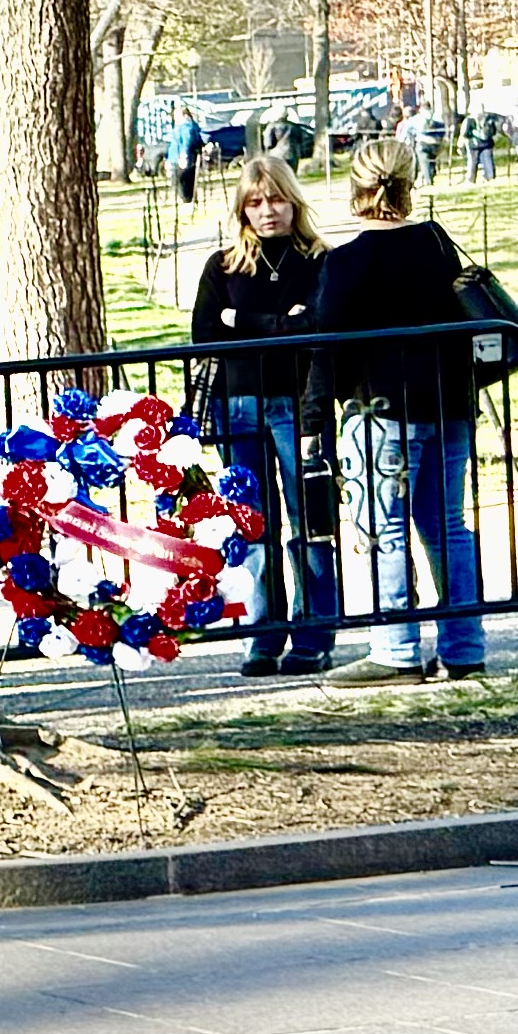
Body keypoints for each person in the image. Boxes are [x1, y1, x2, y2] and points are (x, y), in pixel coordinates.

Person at [314, 157, 489, 681]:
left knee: (383, 530)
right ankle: (465, 647)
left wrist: (314, 416)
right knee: (447, 528)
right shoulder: (435, 245)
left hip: (381, 408)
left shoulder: (348, 261)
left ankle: (396, 648)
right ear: (410, 185)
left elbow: (327, 347)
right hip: (449, 402)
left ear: (355, 189)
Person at [187, 157, 338, 677]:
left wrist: (244, 322)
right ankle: (262, 633)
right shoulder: (224, 265)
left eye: (276, 200)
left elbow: (315, 326)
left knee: (309, 522)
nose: (267, 211)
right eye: (255, 202)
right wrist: (277, 321)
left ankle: (315, 632)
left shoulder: (319, 261)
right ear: (241, 209)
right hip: (238, 404)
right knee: (254, 525)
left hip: (298, 405)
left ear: (293, 201)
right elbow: (206, 332)